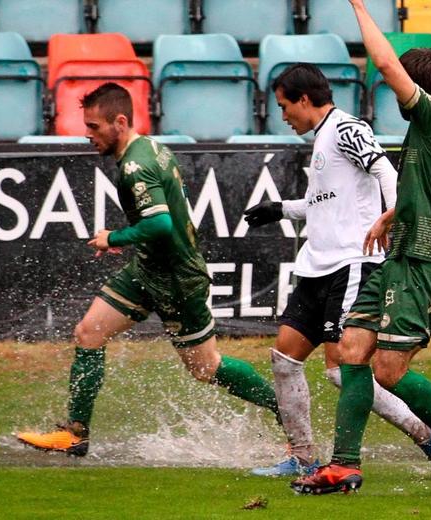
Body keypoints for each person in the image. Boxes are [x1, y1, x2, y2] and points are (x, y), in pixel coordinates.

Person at [16, 83, 280, 456]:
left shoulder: (136, 167)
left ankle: (285, 408)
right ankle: (75, 433)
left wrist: (115, 238)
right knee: (89, 332)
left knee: (205, 368)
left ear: (119, 122)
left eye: (94, 127)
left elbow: (161, 226)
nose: (87, 135)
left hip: (176, 278)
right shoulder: (150, 147)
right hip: (148, 268)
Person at [291, 0, 431, 496]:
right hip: (400, 254)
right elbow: (430, 188)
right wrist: (390, 215)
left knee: (390, 371)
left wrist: (359, 7)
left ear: (415, 89)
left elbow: (383, 63)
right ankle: (344, 466)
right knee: (351, 352)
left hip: (425, 260)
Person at [244, 63, 431, 479]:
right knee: (285, 357)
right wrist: (280, 209)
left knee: (343, 370)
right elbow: (323, 202)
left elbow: (385, 170)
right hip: (318, 265)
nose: (283, 115)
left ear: (305, 99)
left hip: (352, 263)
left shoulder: (345, 128)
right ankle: (303, 457)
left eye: (285, 105)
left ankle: (427, 434)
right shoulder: (324, 138)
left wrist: (393, 218)